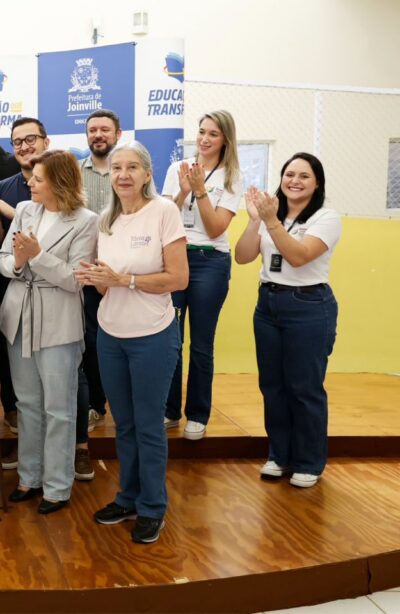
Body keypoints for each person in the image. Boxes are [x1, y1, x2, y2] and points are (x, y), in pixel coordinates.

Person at [76, 141, 187, 544]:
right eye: (117, 168)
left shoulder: (164, 211)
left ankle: (153, 507)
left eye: (132, 167)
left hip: (153, 336)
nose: (123, 174)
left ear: (146, 173)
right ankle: (127, 498)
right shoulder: (107, 221)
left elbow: (178, 279)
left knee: (148, 427)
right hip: (111, 335)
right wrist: (100, 281)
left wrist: (126, 280)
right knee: (123, 426)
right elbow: (110, 289)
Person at [0, 150, 98, 515]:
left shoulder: (87, 221)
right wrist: (20, 262)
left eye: (38, 179)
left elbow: (75, 280)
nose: (29, 183)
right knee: (27, 403)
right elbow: (3, 260)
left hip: (58, 323)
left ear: (59, 182)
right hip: (18, 317)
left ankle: (57, 486)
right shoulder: (25, 211)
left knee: (59, 407)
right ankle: (30, 477)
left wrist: (37, 256)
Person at [234, 153, 340, 488]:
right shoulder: (269, 216)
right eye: (289, 174)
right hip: (268, 303)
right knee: (273, 386)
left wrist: (271, 221)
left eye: (304, 176)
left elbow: (298, 255)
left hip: (308, 305)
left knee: (304, 387)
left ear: (317, 182)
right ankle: (279, 455)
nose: (294, 181)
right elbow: (243, 256)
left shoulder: (326, 217)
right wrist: (254, 220)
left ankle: (309, 462)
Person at [161, 110, 243, 440]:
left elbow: (214, 227)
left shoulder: (231, 177)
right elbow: (165, 215)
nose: (205, 138)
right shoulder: (177, 167)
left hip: (210, 262)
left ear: (225, 139)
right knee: (170, 340)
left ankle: (197, 413)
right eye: (202, 131)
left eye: (213, 133)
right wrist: (182, 190)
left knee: (202, 345)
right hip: (176, 258)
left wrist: (200, 191)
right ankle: (169, 410)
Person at [0, 117, 50, 468]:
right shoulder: (8, 190)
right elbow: (4, 250)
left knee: (63, 386)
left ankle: (74, 450)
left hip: (58, 303)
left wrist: (2, 209)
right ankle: (28, 452)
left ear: (46, 141)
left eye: (31, 139)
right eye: (18, 142)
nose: (25, 147)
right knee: (22, 384)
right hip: (15, 297)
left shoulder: (67, 191)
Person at [80, 110, 122, 439]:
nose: (98, 135)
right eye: (92, 130)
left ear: (117, 134)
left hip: (120, 272)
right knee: (88, 341)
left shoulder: (126, 171)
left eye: (104, 130)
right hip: (83, 270)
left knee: (112, 342)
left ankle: (118, 403)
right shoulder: (76, 172)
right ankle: (95, 404)